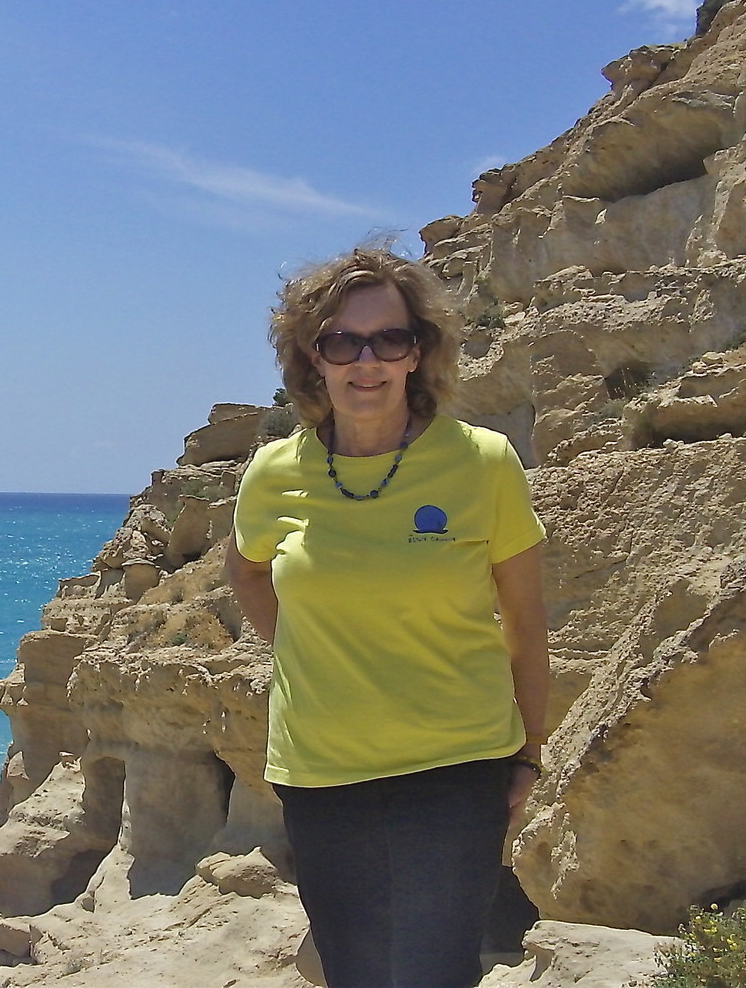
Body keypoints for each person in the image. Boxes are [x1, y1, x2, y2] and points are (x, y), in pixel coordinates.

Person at [225, 246, 549, 988]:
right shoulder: (274, 472)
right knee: (357, 973)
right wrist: (303, 650)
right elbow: (246, 570)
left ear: (418, 352)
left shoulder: (484, 463)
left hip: (455, 766)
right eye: (342, 341)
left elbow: (528, 625)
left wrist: (529, 748)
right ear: (313, 357)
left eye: (388, 339)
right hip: (322, 773)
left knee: (432, 973)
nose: (364, 361)